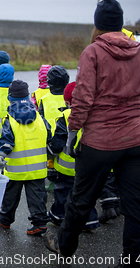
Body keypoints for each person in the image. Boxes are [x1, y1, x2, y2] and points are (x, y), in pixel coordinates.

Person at [44, 0, 140, 268]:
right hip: (138, 141)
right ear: (121, 23)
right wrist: (137, 122)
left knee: (81, 200)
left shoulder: (93, 52)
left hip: (100, 143)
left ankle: (65, 247)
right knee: (134, 203)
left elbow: (82, 99)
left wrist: (73, 133)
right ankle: (134, 259)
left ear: (97, 24)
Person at [0, 80, 52, 236]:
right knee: (37, 197)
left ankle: (4, 219)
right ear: (27, 97)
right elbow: (49, 135)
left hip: (16, 169)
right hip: (37, 168)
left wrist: (0, 155)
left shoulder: (9, 119)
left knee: (10, 197)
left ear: (10, 98)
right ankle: (39, 223)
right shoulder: (38, 117)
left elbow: (7, 143)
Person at [46, 82, 100, 231]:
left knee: (63, 192)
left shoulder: (66, 116)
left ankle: (58, 216)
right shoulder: (95, 115)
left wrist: (51, 151)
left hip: (67, 167)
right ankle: (90, 221)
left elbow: (59, 141)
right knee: (85, 194)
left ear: (68, 101)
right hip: (90, 166)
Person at [37, 65, 69, 192]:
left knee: (50, 159)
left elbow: (41, 119)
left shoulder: (43, 100)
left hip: (50, 137)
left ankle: (51, 182)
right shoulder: (68, 97)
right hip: (68, 134)